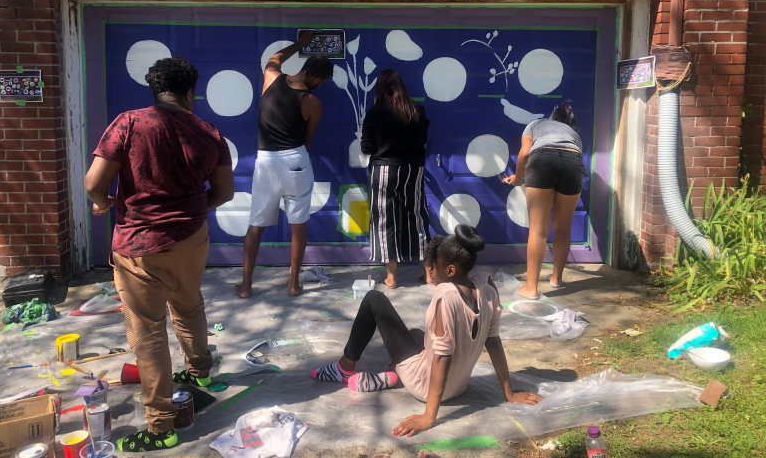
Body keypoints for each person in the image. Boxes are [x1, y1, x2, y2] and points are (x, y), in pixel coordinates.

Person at [84, 56, 234, 452]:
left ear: (155, 90)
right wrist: (192, 208)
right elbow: (224, 193)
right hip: (191, 238)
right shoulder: (209, 131)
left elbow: (94, 182)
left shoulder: (129, 122)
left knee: (148, 333)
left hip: (140, 246)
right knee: (189, 305)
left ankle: (161, 426)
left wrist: (101, 202)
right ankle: (200, 372)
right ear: (189, 93)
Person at [310, 224, 543, 437]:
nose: (429, 270)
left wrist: (428, 417)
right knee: (416, 334)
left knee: (374, 299)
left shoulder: (445, 295)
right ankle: (392, 374)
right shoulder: (487, 287)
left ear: (450, 270)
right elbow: (493, 341)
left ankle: (344, 368)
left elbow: (442, 358)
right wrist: (509, 393)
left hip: (425, 387)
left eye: (433, 266)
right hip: (458, 386)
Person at [235, 31, 333, 298]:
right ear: (315, 78)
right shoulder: (313, 102)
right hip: (296, 159)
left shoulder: (271, 78)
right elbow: (309, 136)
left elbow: (275, 57)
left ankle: (245, 285)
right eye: (322, 82)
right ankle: (293, 284)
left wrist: (301, 44)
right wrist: (298, 154)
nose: (321, 86)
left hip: (266, 160)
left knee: (256, 223)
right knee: (298, 222)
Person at [503, 101, 584, 300]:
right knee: (563, 228)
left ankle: (531, 289)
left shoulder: (536, 124)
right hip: (572, 163)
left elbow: (524, 154)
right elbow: (573, 155)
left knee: (538, 230)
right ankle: (556, 278)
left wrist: (518, 178)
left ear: (552, 116)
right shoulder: (573, 135)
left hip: (541, 160)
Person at [361, 69, 431, 288]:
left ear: (380, 87)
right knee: (417, 217)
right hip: (413, 169)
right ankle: (429, 274)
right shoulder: (417, 110)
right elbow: (424, 144)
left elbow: (366, 148)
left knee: (384, 220)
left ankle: (391, 277)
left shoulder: (375, 112)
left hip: (384, 170)